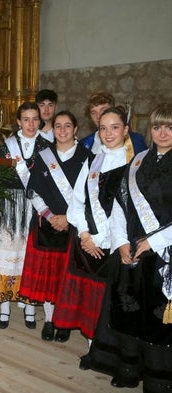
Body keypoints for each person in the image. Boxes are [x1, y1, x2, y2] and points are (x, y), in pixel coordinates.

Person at [81, 103, 172, 391]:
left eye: (169, 126)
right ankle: (129, 370)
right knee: (129, 312)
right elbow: (120, 205)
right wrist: (120, 241)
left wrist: (152, 242)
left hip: (164, 255)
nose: (163, 132)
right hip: (131, 253)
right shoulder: (138, 161)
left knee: (158, 321)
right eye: (157, 126)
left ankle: (158, 380)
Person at [53, 107, 133, 355]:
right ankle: (89, 346)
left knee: (104, 301)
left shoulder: (134, 163)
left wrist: (107, 239)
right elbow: (77, 200)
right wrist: (85, 235)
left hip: (114, 244)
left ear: (126, 130)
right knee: (85, 297)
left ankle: (101, 351)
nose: (108, 133)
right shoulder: (93, 160)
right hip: (86, 239)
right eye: (103, 128)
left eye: (115, 127)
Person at [0, 102, 51, 330]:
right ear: (18, 122)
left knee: (29, 256)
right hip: (8, 207)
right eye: (26, 119)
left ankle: (29, 308)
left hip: (35, 208)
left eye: (35, 119)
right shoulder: (7, 146)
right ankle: (5, 307)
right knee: (7, 255)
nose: (31, 124)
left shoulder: (47, 146)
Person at [19, 111, 92, 343]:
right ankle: (50, 320)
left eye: (67, 126)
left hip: (74, 228)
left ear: (76, 129)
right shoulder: (44, 156)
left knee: (66, 279)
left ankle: (64, 323)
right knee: (50, 279)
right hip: (47, 226)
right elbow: (33, 192)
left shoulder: (88, 157)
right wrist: (50, 215)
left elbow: (90, 197)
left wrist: (68, 218)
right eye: (58, 126)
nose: (62, 130)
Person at [80, 91, 146, 154]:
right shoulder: (85, 144)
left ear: (113, 110)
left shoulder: (135, 141)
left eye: (103, 110)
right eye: (93, 113)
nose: (98, 116)